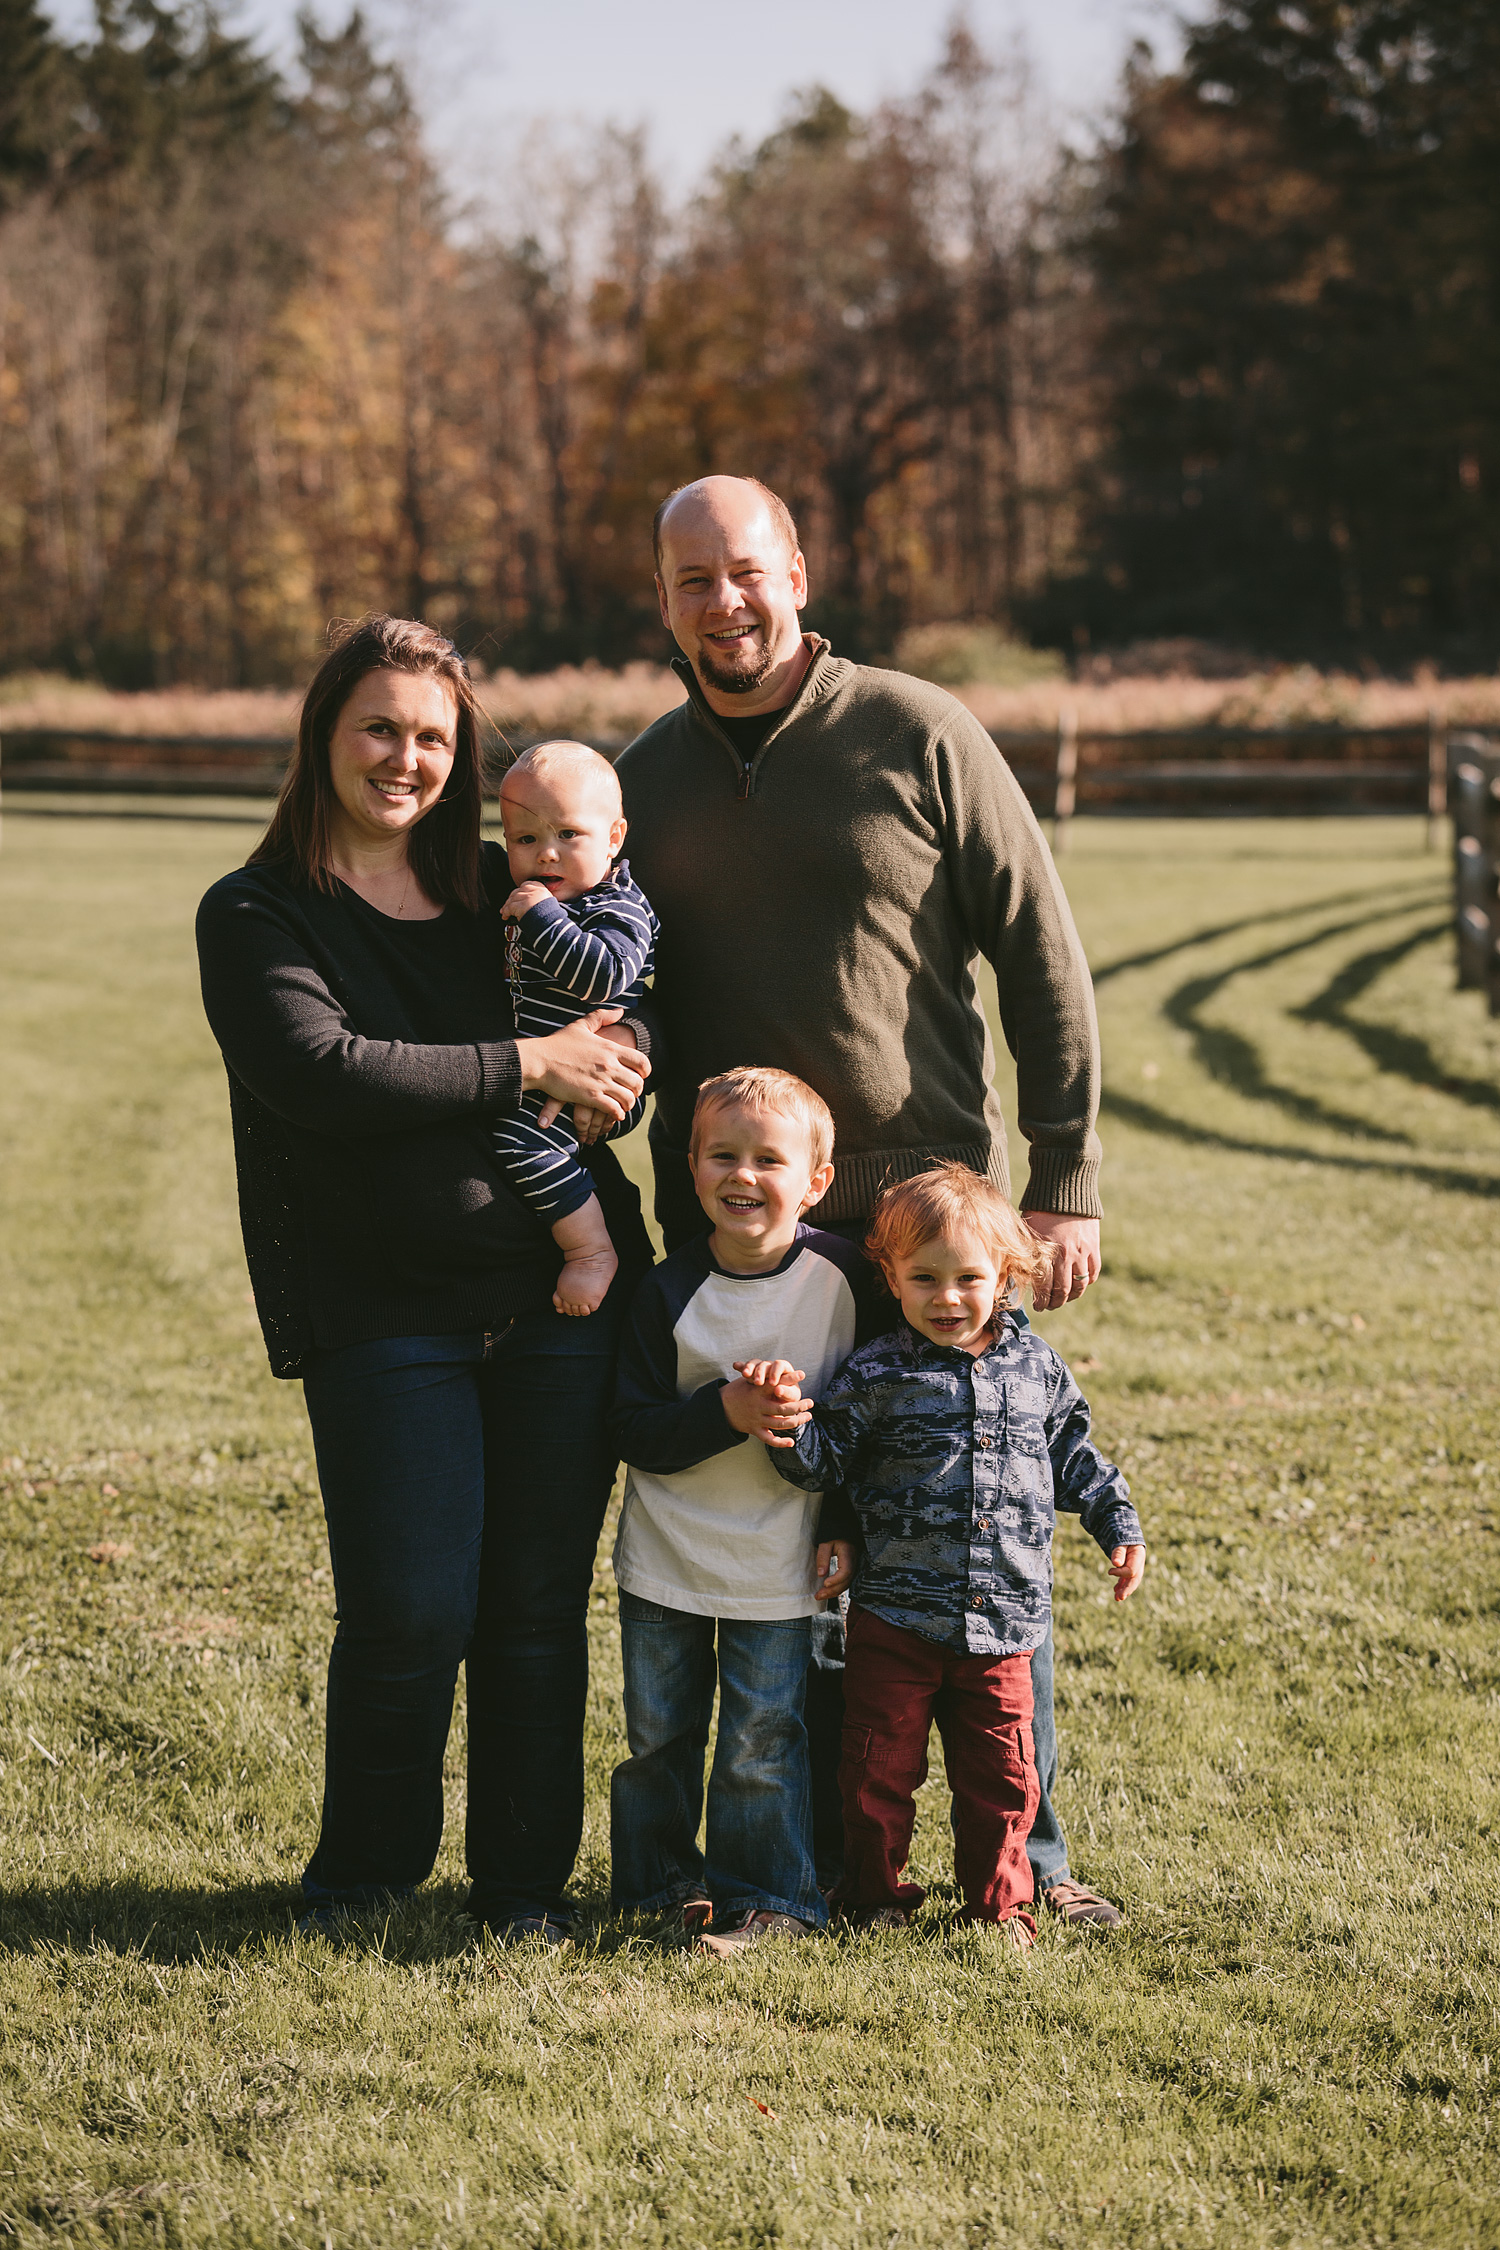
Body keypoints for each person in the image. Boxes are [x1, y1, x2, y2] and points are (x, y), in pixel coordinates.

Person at [615, 472, 1121, 1928]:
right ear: (664, 598)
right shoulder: (645, 780)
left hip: (919, 1232)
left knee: (966, 1536)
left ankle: (1035, 1860)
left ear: (798, 570)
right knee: (796, 1554)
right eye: (694, 577)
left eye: (748, 569)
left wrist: (1065, 1182)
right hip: (744, 1238)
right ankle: (823, 1863)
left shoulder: (918, 729)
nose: (726, 601)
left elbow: (1044, 958)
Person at [195, 613, 654, 1946]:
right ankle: (362, 1881)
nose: (407, 757)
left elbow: (622, 995)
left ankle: (520, 1890)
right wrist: (534, 1067)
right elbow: (322, 1073)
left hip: (558, 1300)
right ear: (325, 737)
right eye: (382, 728)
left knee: (529, 1612)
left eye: (435, 737)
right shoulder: (259, 909)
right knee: (410, 1608)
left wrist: (611, 1065)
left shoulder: (497, 895)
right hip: (381, 1308)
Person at [764, 1164, 1146, 1944]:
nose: (946, 1298)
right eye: (923, 1279)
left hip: (1003, 1623)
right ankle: (871, 1896)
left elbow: (1076, 1454)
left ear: (1005, 1276)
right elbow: (825, 1458)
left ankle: (1001, 1907)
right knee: (876, 1769)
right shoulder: (876, 1371)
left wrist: (1118, 1525)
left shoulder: (1036, 1369)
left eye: (968, 1278)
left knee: (1002, 1779)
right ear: (891, 1278)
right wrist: (784, 1423)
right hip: (896, 1620)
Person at [606, 1067, 871, 1956]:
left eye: (769, 1159)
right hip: (668, 1557)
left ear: (816, 1183)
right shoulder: (666, 1290)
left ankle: (770, 1898)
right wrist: (725, 1411)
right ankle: (657, 1887)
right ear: (691, 1167)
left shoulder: (845, 1282)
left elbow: (865, 1419)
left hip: (785, 1564)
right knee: (658, 1737)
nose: (743, 1176)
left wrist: (837, 1510)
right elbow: (632, 1427)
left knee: (764, 1737)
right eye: (723, 1155)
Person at [491, 740, 659, 1316]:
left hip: (602, 1083)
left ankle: (590, 1250)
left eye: (569, 835)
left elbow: (602, 976)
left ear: (614, 838)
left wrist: (540, 916)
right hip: (548, 1073)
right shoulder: (556, 899)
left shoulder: (618, 908)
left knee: (518, 1143)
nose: (547, 856)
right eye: (526, 840)